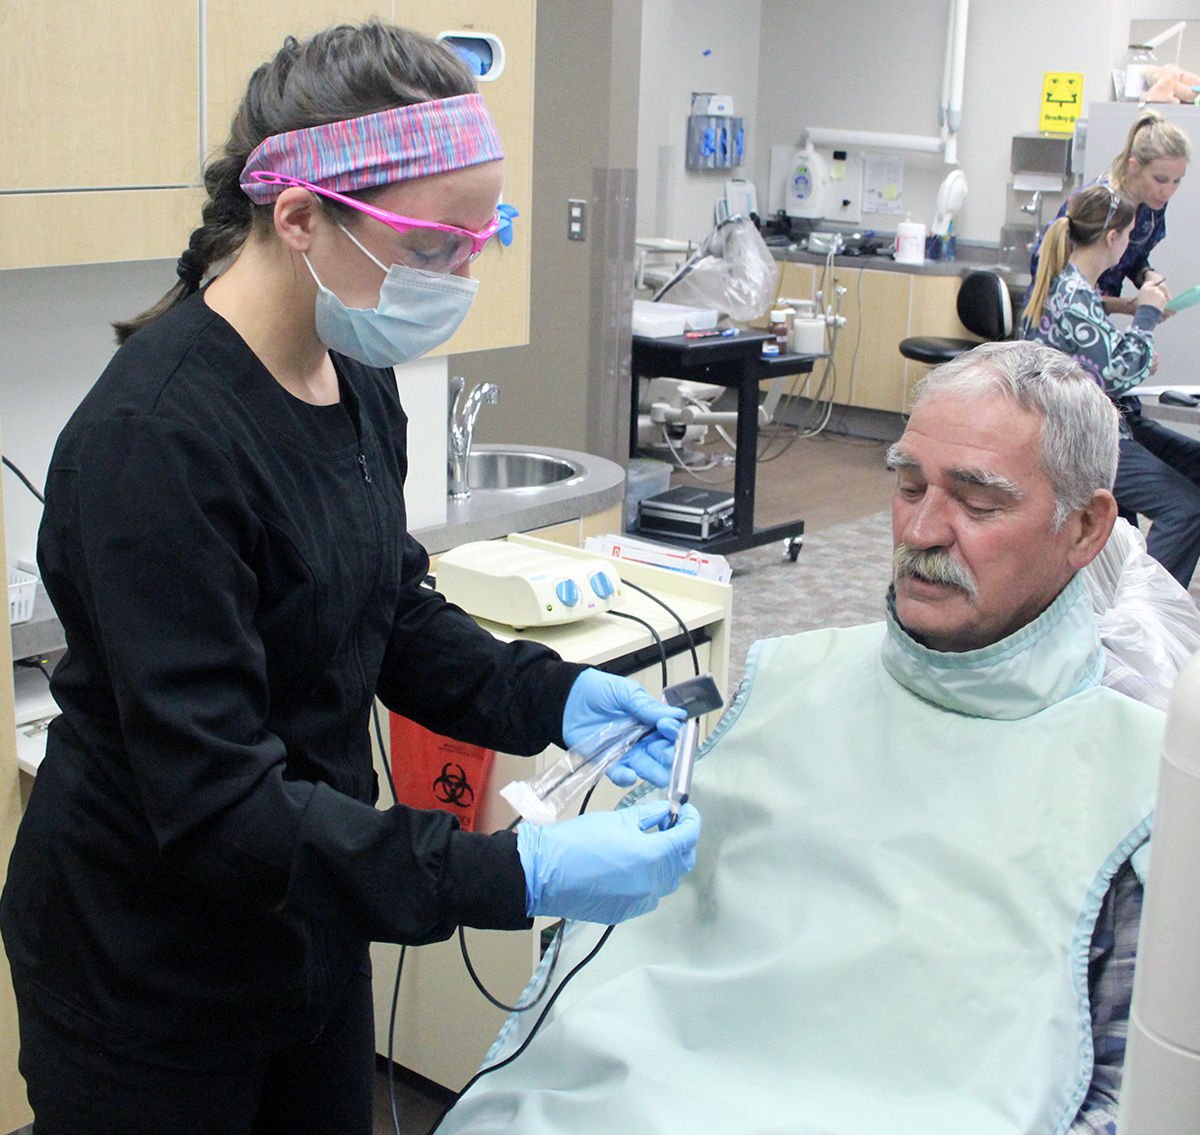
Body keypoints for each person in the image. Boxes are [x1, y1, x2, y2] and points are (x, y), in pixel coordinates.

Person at [0, 22, 701, 1135]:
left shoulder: (354, 371)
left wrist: (553, 697)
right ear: (299, 216)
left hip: (305, 926)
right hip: (149, 972)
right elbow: (222, 810)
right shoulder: (155, 440)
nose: (461, 274)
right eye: (435, 246)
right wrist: (517, 872)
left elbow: (390, 612)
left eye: (483, 238)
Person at [437, 341, 1167, 1135]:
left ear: (1087, 526)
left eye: (978, 502)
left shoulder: (1136, 784)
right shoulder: (786, 679)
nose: (922, 528)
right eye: (909, 483)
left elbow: (1124, 1091)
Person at [1023, 183, 1200, 588]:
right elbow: (1113, 373)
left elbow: (1097, 360)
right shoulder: (1074, 296)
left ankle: (1125, 582)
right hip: (1081, 436)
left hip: (1098, 420)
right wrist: (1147, 317)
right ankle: (1146, 611)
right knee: (1186, 509)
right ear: (1113, 239)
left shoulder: (1067, 285)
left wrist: (1131, 349)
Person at [1028, 109, 1189, 319]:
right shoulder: (1101, 204)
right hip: (1059, 318)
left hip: (1094, 317)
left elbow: (1134, 254)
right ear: (1134, 166)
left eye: (1177, 181)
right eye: (1160, 179)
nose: (1168, 191)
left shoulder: (1152, 205)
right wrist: (1130, 306)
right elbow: (1057, 285)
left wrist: (1146, 275)